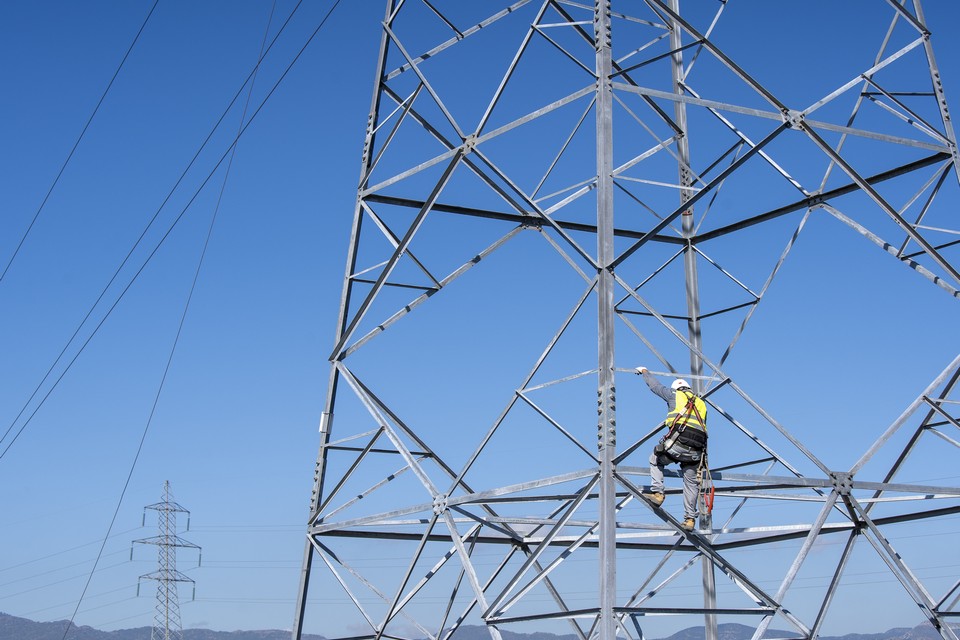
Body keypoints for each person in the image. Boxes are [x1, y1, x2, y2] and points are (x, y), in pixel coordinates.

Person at [635, 366, 708, 531]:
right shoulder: (701, 404)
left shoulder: (674, 395)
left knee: (655, 458)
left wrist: (645, 372)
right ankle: (690, 519)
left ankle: (658, 493)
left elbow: (656, 387)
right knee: (691, 482)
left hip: (678, 443)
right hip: (696, 450)